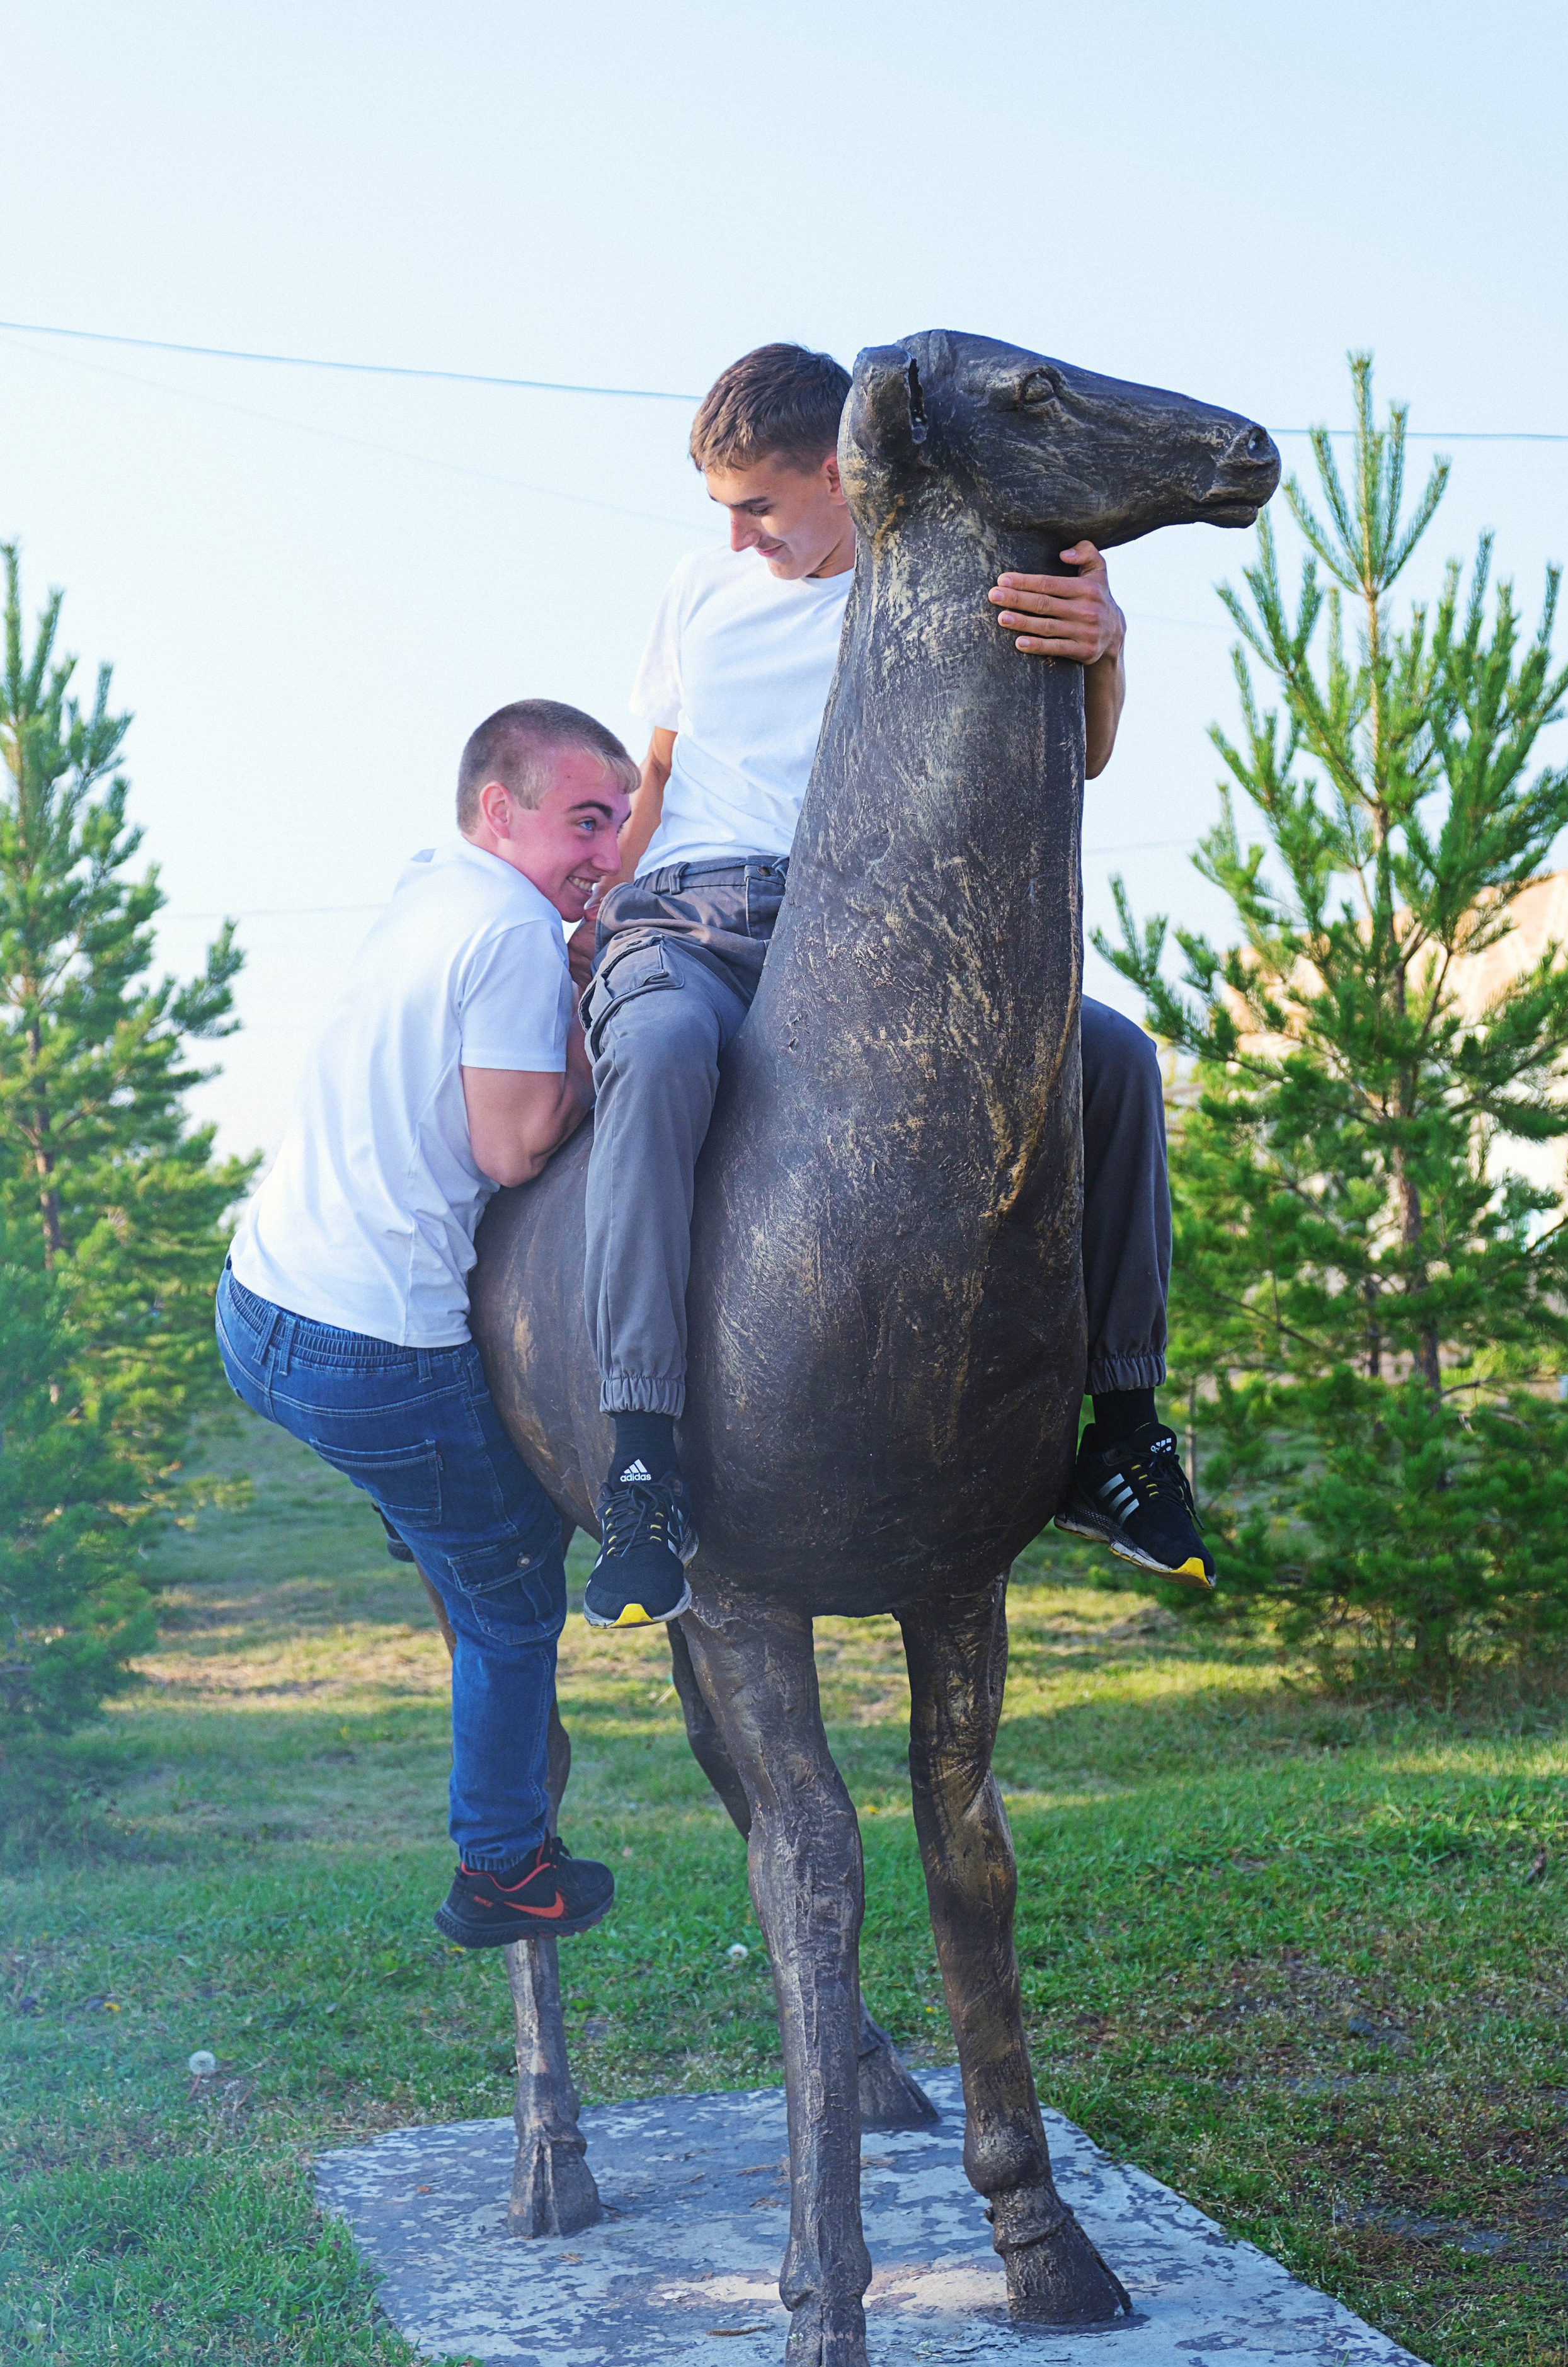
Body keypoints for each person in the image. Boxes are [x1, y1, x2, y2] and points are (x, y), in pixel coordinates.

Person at [577, 343, 1213, 1631]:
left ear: (836, 471)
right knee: (655, 1061)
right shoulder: (696, 590)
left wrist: (1104, 649)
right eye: (721, 511)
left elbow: (1075, 757)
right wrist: (587, 915)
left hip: (865, 925)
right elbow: (654, 773)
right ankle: (640, 1457)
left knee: (1112, 1061)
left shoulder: (944, 589)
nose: (739, 534)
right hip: (693, 918)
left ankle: (1126, 1436)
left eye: (757, 503)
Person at [216, 700, 632, 1950]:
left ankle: (426, 1523)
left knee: (455, 1509)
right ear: (498, 810)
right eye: (583, 821)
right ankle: (502, 1869)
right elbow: (514, 1148)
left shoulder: (430, 887)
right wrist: (588, 1009)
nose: (606, 852)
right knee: (513, 1605)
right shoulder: (510, 930)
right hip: (371, 1356)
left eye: (617, 820)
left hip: (258, 1307)